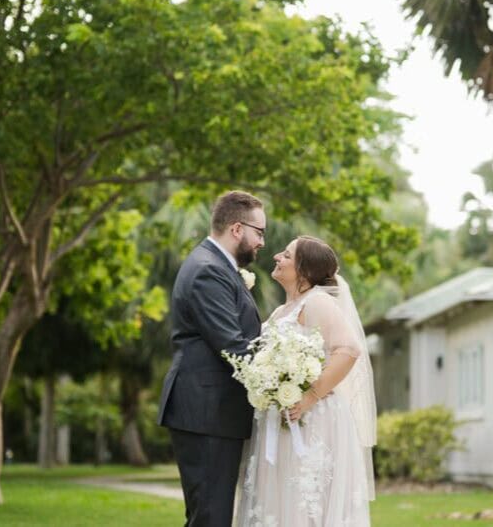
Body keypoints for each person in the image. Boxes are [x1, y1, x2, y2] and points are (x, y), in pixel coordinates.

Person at [234, 235, 376, 526]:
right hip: (277, 418)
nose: (276, 257)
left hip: (312, 420)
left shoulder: (318, 302)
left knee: (304, 499)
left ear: (304, 269)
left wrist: (309, 396)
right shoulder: (278, 313)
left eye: (286, 255)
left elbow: (349, 349)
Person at [158, 190, 267, 527]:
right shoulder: (208, 270)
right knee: (210, 517)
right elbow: (232, 346)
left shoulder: (216, 265)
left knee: (210, 515)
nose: (262, 242)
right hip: (207, 411)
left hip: (213, 411)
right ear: (237, 229)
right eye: (259, 232)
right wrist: (280, 381)